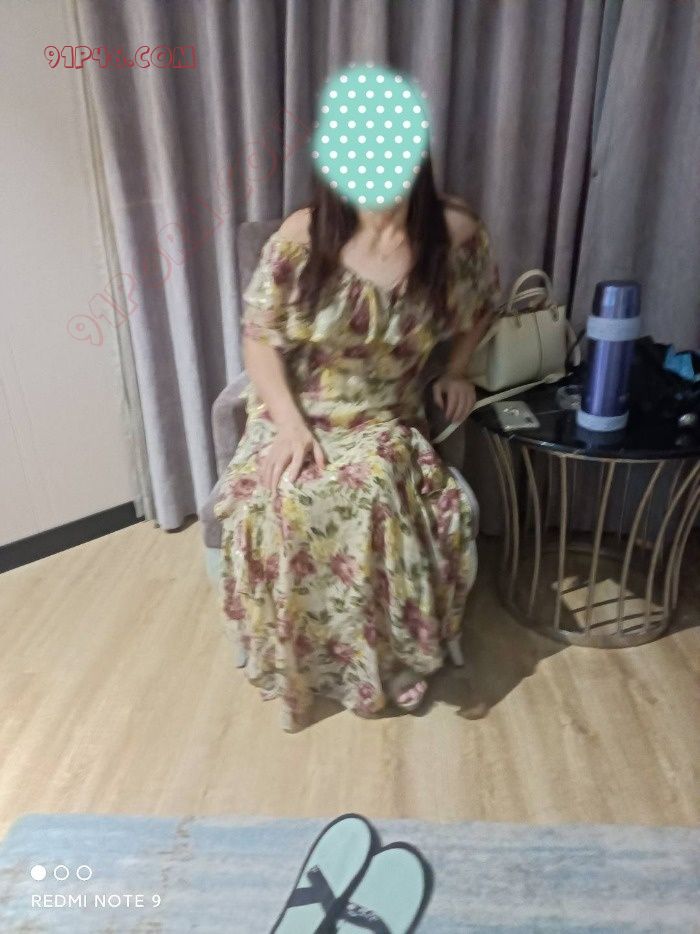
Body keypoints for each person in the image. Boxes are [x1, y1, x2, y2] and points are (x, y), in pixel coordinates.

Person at [214, 156, 500, 731]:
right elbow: (259, 338)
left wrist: (457, 370)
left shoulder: (454, 232)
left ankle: (375, 662)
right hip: (298, 407)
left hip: (383, 413)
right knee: (282, 496)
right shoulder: (303, 233)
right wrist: (290, 425)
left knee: (369, 493)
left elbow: (482, 306)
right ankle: (305, 661)